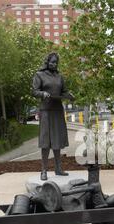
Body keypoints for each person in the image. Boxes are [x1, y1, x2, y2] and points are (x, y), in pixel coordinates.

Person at [32, 52, 74, 181]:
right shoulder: (39, 75)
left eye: (56, 62)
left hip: (57, 110)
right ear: (47, 62)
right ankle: (43, 170)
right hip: (46, 110)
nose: (54, 64)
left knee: (57, 141)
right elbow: (34, 91)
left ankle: (58, 168)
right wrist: (43, 93)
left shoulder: (59, 76)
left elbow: (64, 91)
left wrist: (69, 95)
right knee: (46, 141)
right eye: (52, 62)